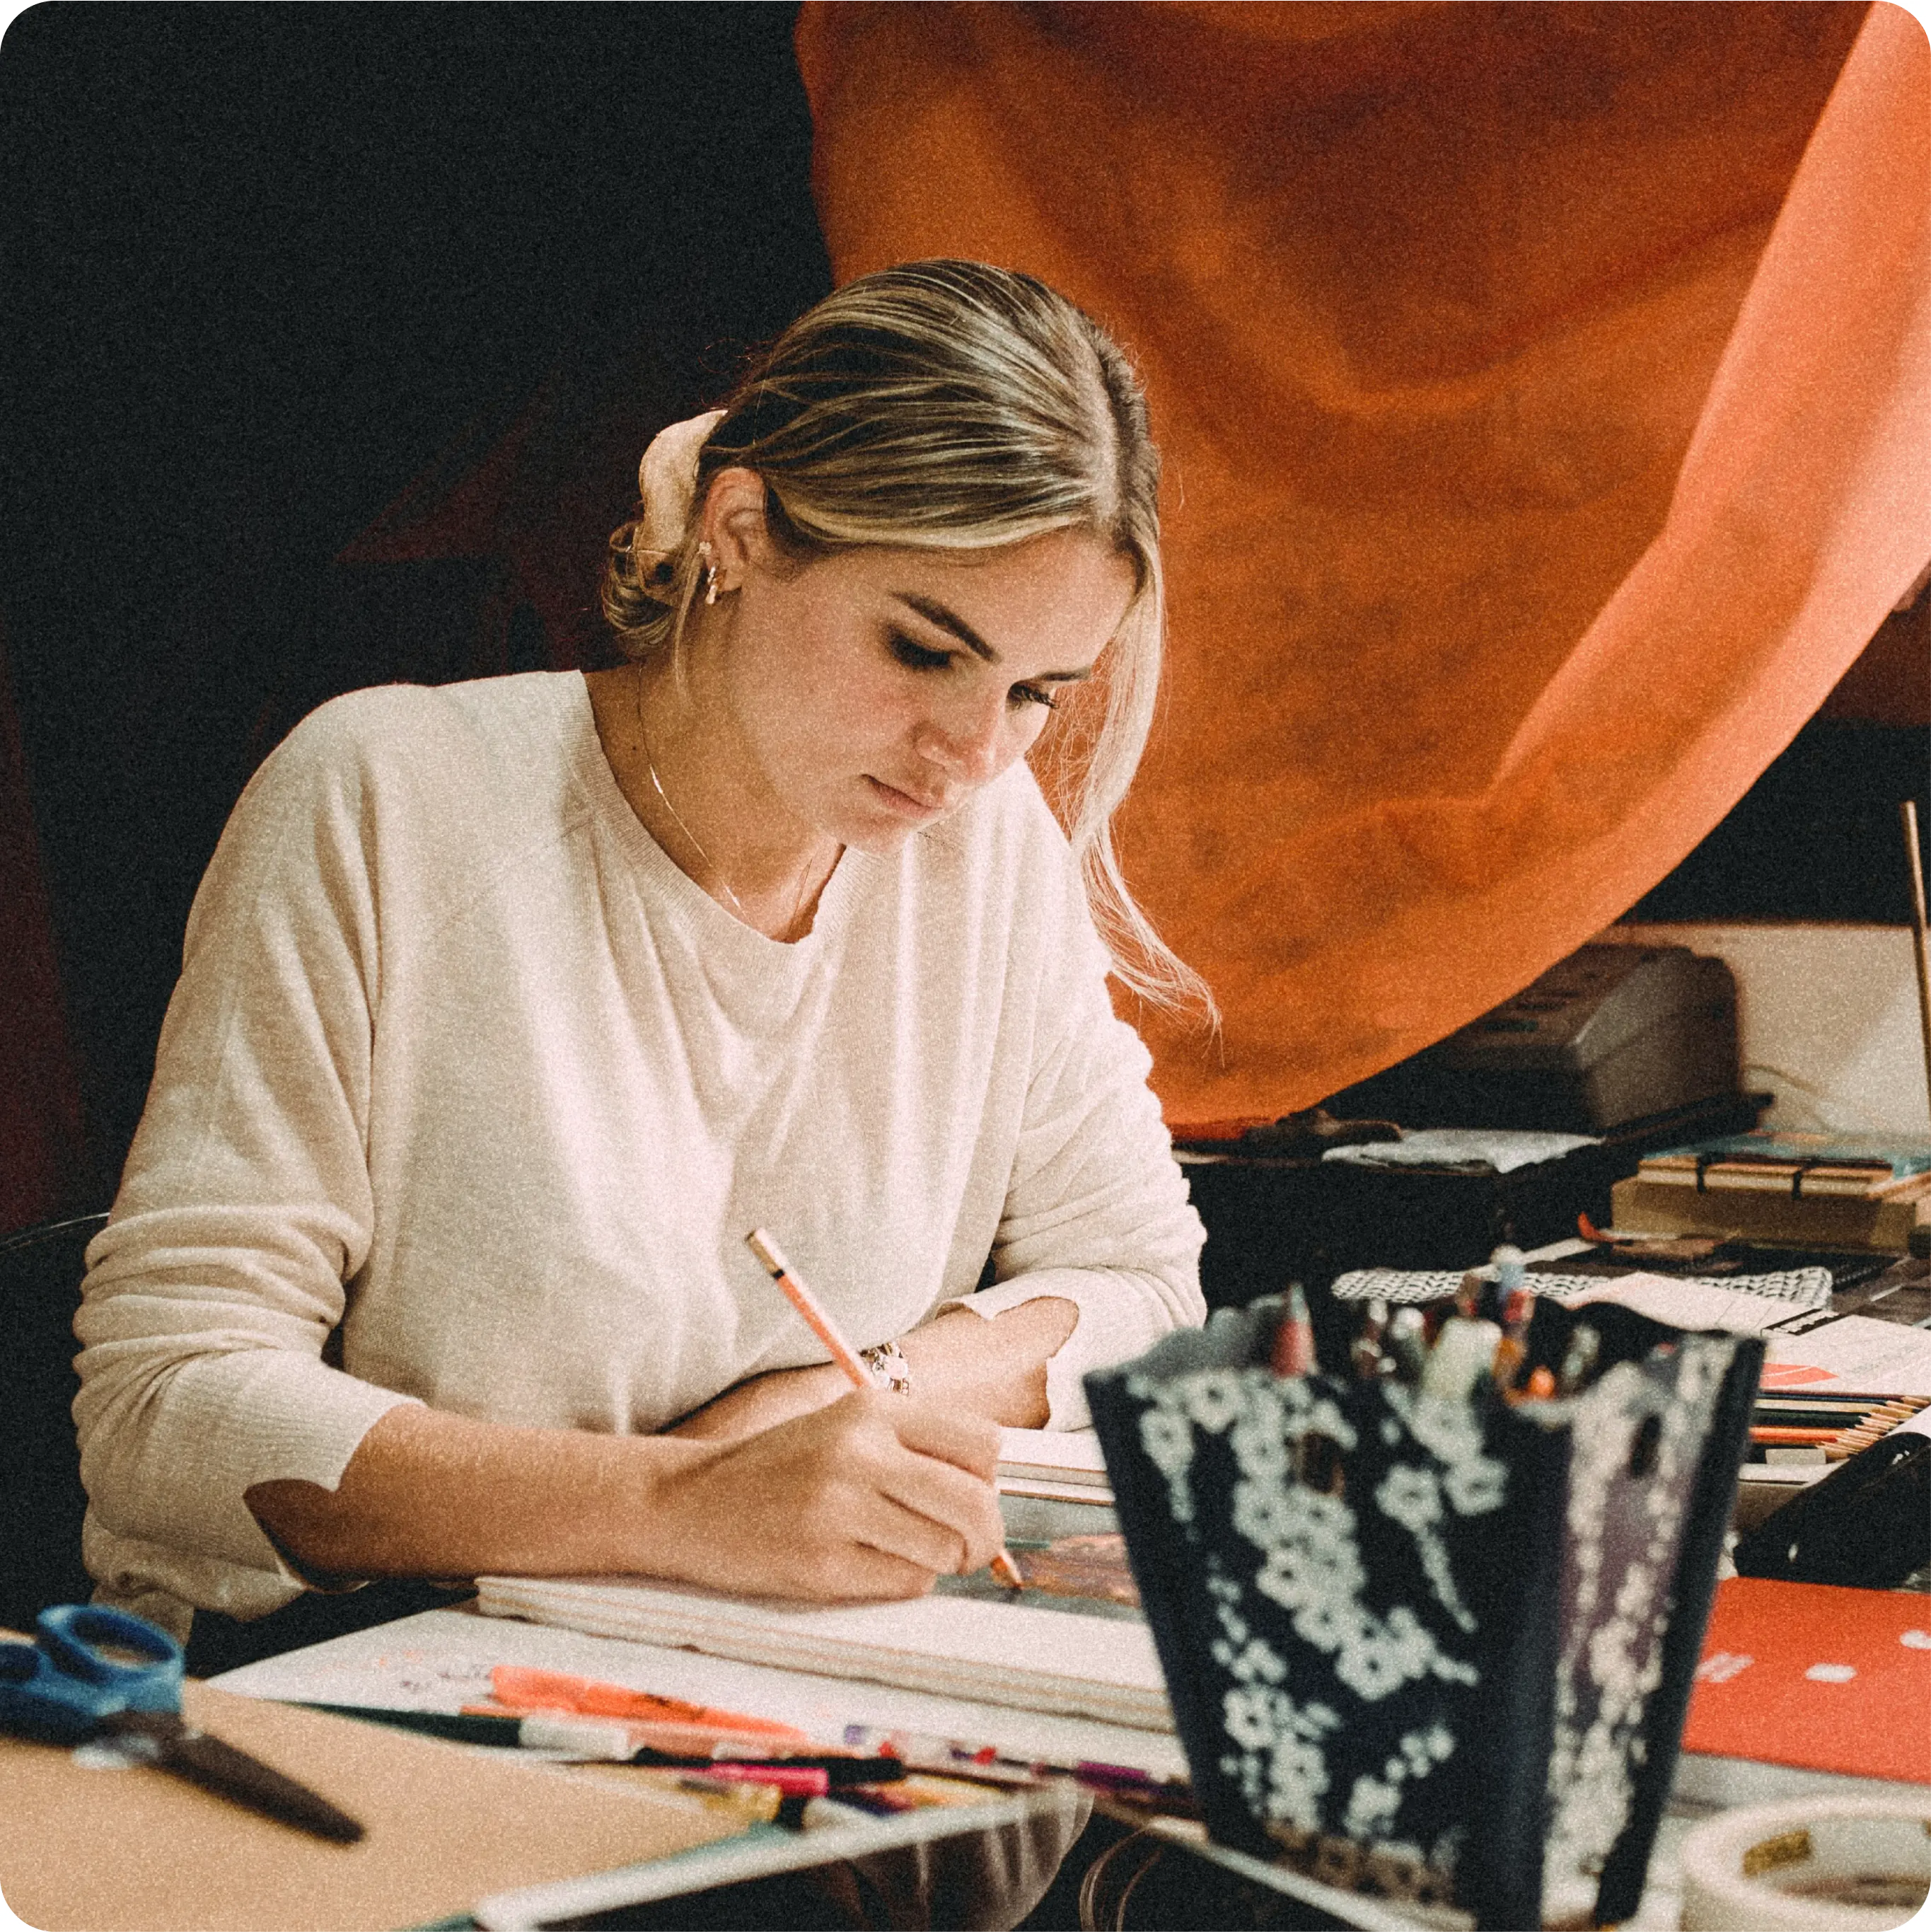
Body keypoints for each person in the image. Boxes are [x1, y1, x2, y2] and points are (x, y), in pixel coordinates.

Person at [73, 260, 1212, 1662]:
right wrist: (683, 1502)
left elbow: (1146, 1284)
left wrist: (835, 1413)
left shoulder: (986, 852)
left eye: (1038, 694)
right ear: (739, 531)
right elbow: (167, 1413)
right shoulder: (388, 797)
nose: (973, 754)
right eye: (924, 650)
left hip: (715, 1671)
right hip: (340, 1681)